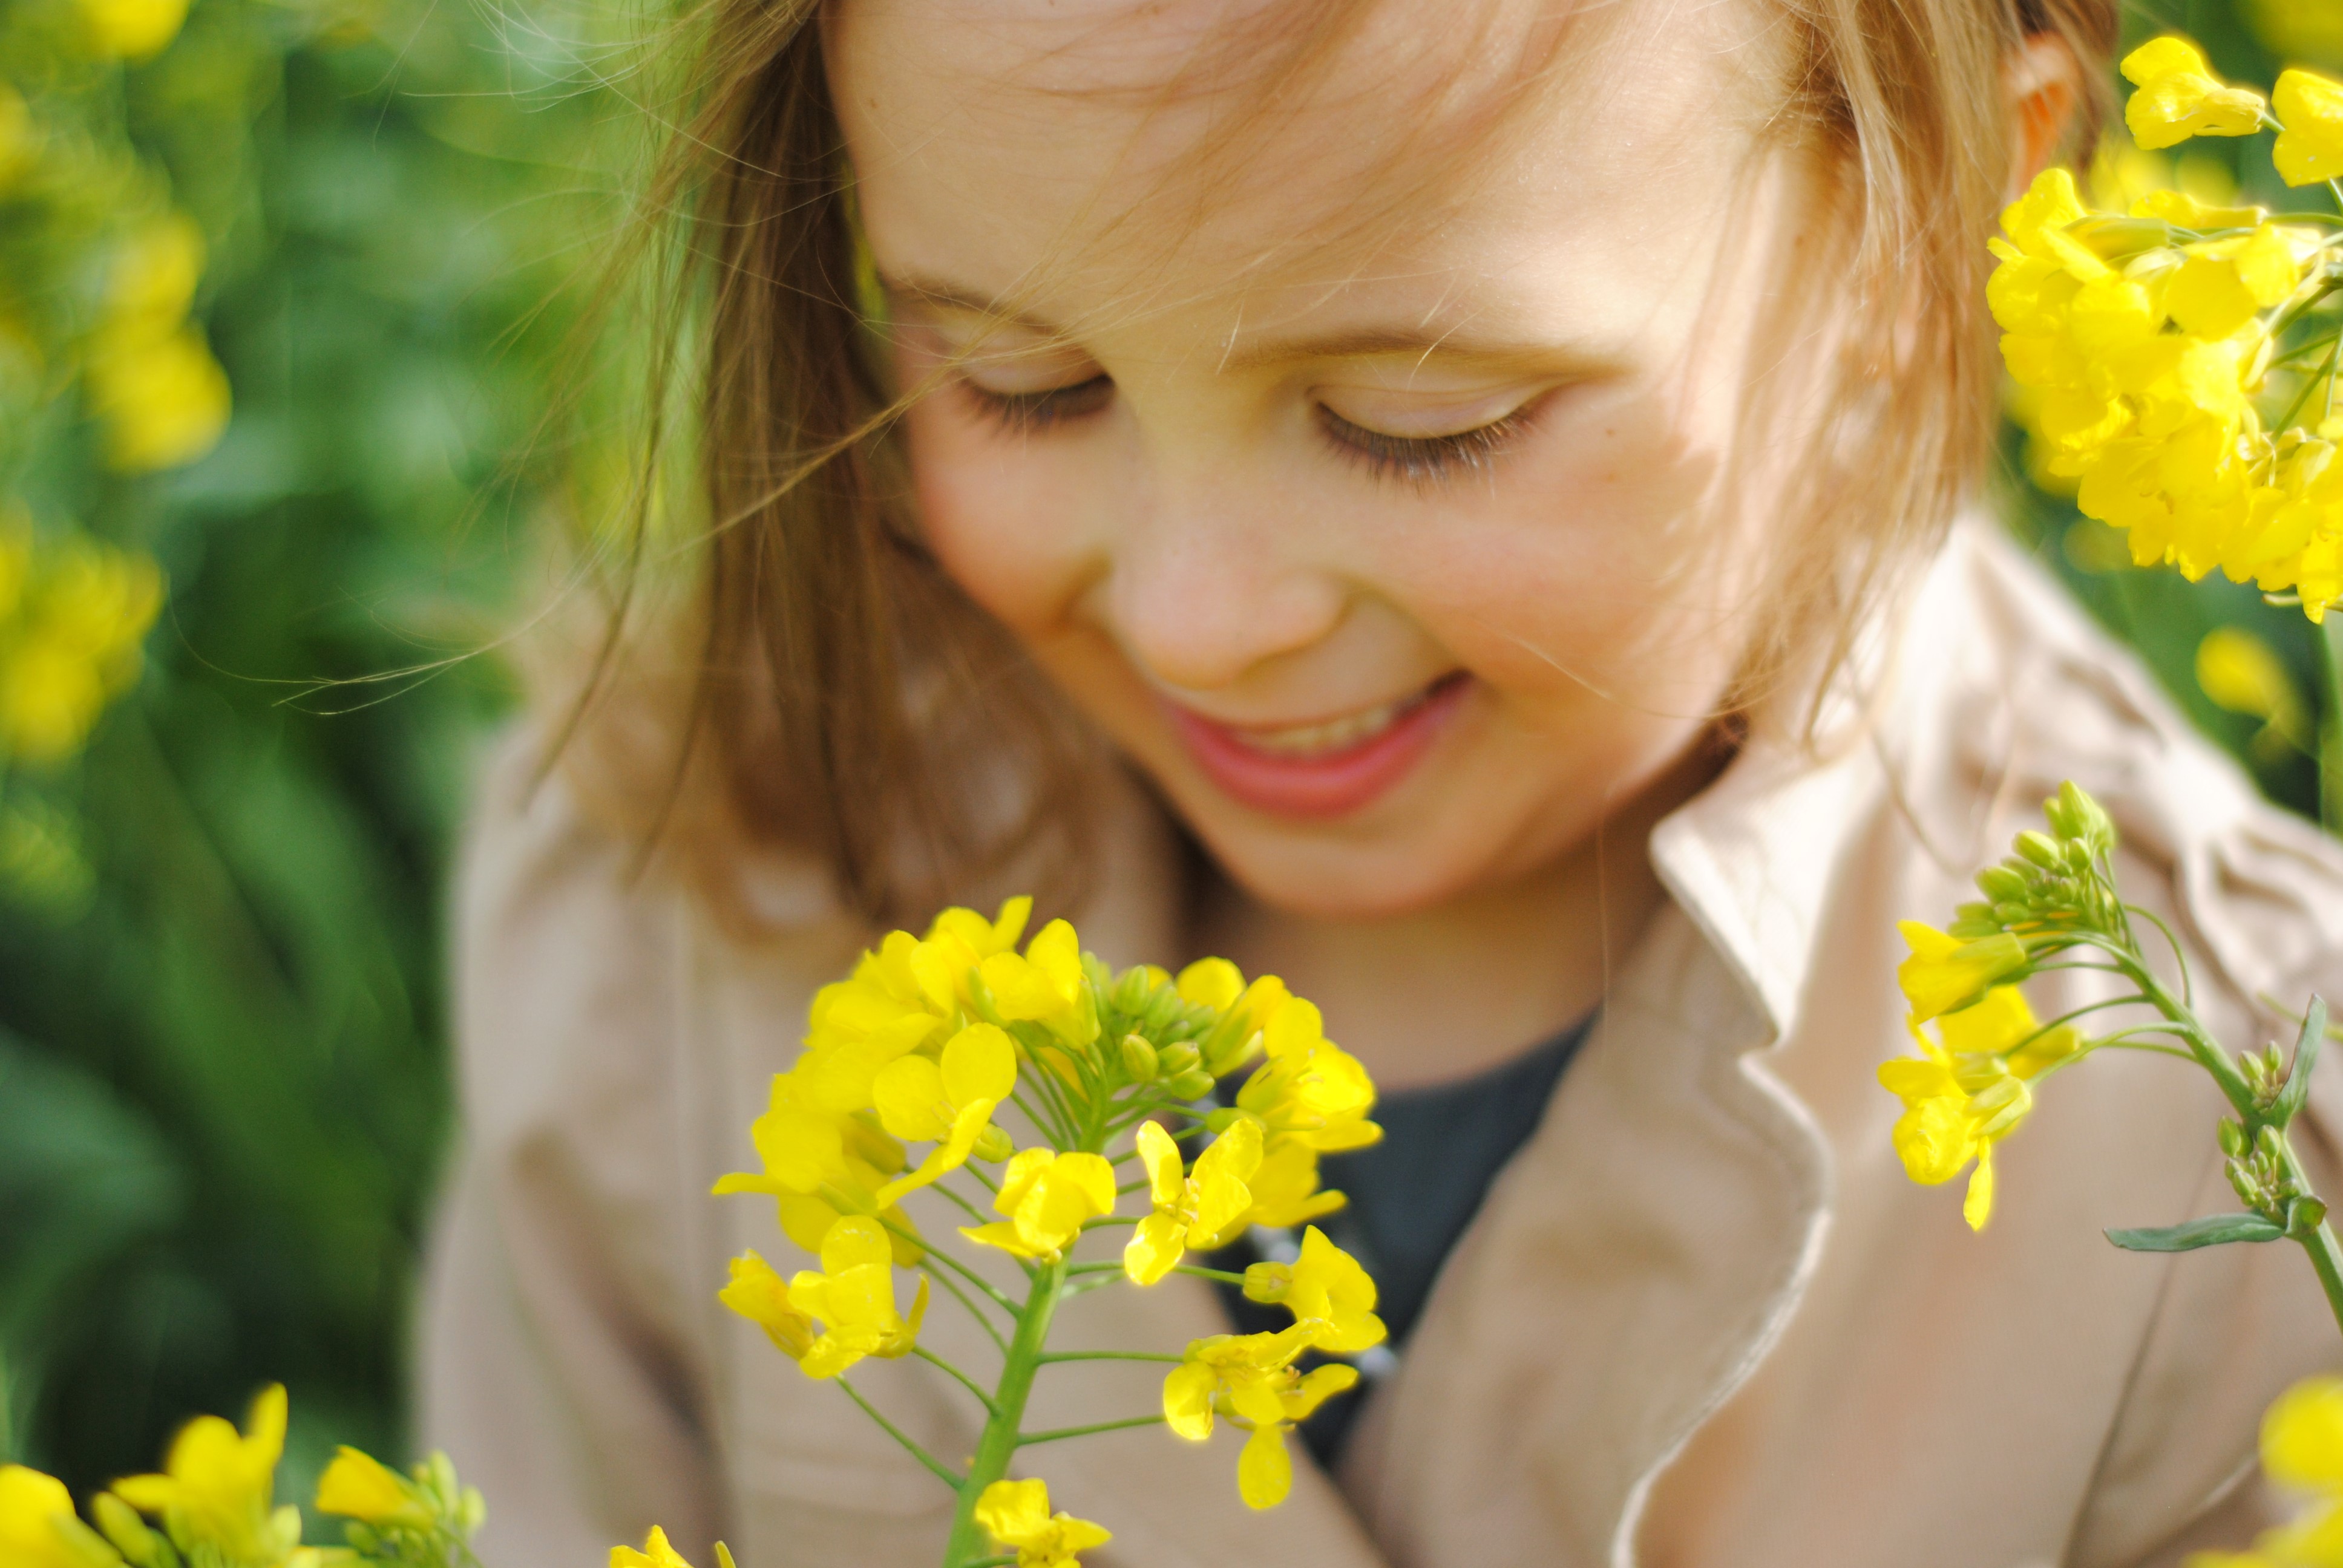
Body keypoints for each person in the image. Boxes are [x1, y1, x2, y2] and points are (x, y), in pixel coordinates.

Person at [416, 1, 2343, 1563]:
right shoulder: (668, 910)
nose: (1201, 622)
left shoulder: (2232, 1147)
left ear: (1935, 233)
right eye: (1022, 379)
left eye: (1424, 427)